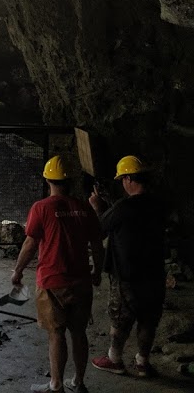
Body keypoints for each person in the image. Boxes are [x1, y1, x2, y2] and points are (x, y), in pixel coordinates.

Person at [12, 155, 104, 393]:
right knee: (79, 332)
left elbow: (30, 244)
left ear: (47, 179)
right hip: (81, 280)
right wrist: (97, 271)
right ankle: (79, 382)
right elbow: (96, 243)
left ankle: (56, 385)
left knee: (56, 333)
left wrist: (18, 271)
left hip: (52, 281)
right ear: (71, 181)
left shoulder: (41, 208)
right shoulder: (84, 208)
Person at [88, 155, 166, 378]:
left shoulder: (123, 207)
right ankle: (143, 362)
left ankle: (114, 359)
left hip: (127, 275)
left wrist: (96, 207)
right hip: (154, 275)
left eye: (123, 179)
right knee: (148, 319)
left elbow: (101, 227)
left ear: (129, 178)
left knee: (121, 318)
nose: (122, 183)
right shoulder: (158, 205)